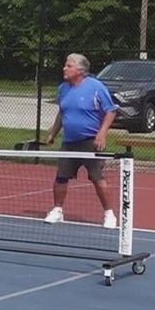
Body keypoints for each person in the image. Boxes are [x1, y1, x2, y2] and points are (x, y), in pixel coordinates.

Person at [41, 53, 118, 228]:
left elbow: (111, 111)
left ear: (80, 70)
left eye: (69, 66)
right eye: (65, 65)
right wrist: (53, 132)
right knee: (61, 177)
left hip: (91, 142)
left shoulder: (96, 87)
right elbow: (62, 112)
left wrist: (102, 133)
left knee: (97, 178)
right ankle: (57, 210)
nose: (64, 68)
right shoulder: (63, 89)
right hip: (69, 143)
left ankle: (109, 214)